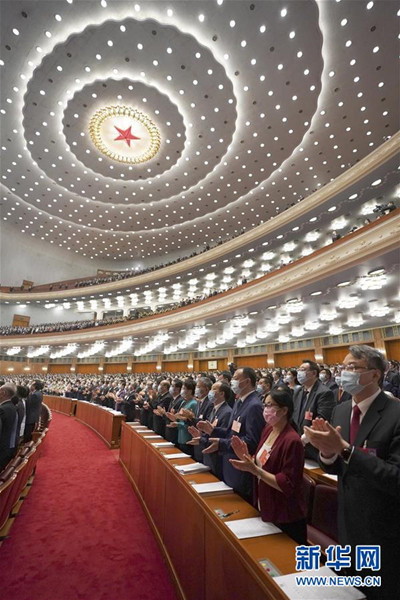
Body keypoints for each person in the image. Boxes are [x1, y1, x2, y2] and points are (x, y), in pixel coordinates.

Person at [305, 345, 400, 600]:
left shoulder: (396, 413)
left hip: (385, 530)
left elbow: (395, 477)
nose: (343, 372)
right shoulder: (342, 409)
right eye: (342, 366)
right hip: (347, 521)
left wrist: (345, 450)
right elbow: (337, 466)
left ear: (375, 375)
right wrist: (326, 452)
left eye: (352, 367)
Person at [230, 389, 307, 544]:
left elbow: (287, 483)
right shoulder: (268, 429)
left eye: (270, 405)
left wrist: (255, 470)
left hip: (284, 513)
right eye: (265, 405)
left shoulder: (292, 440)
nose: (265, 410)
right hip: (265, 502)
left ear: (284, 410)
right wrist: (247, 458)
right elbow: (262, 462)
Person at [198, 367, 265, 502]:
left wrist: (221, 443)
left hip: (240, 468)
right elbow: (232, 432)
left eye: (235, 379)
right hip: (229, 463)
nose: (231, 382)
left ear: (246, 382)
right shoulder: (239, 402)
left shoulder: (254, 405)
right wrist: (213, 431)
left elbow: (251, 441)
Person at [293, 360, 335, 459]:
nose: (299, 372)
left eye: (303, 370)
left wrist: (303, 439)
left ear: (314, 373)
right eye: (299, 369)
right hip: (297, 445)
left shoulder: (324, 393)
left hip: (313, 447)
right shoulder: (298, 391)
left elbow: (322, 420)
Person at [166, 379, 197, 455]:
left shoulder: (193, 403)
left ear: (190, 391)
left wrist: (178, 424)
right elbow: (180, 417)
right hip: (180, 435)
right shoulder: (183, 402)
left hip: (187, 436)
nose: (181, 390)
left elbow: (191, 422)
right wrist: (174, 418)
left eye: (184, 388)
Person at [0, 383, 18, 471]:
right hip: (7, 447)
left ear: (3, 392)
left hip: (2, 449)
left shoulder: (3, 409)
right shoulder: (12, 406)